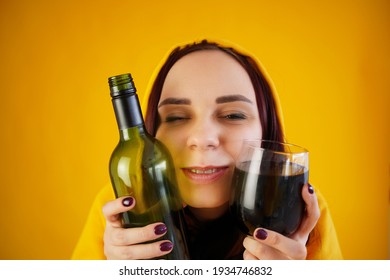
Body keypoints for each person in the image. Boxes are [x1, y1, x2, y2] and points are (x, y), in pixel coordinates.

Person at [72, 39, 343, 260]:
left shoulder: (304, 211)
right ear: (153, 132)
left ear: (267, 130)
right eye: (176, 117)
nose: (202, 139)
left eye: (234, 116)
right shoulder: (119, 210)